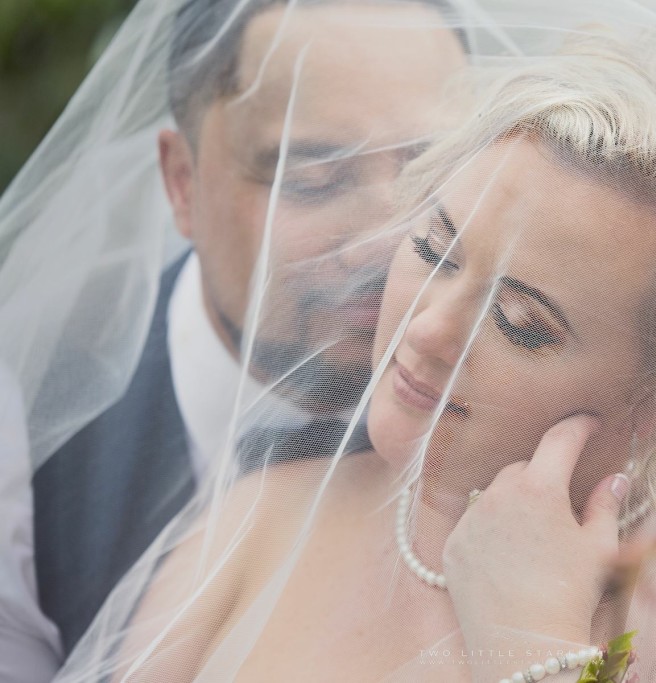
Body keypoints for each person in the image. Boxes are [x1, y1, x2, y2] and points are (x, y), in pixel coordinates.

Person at [53, 4, 656, 681]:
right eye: (433, 251)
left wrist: (535, 646)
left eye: (522, 323)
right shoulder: (253, 520)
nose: (426, 327)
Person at [0, 0, 465, 677]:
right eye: (315, 178)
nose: (390, 243)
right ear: (182, 183)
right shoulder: (25, 435)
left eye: (433, 171)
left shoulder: (525, 411)